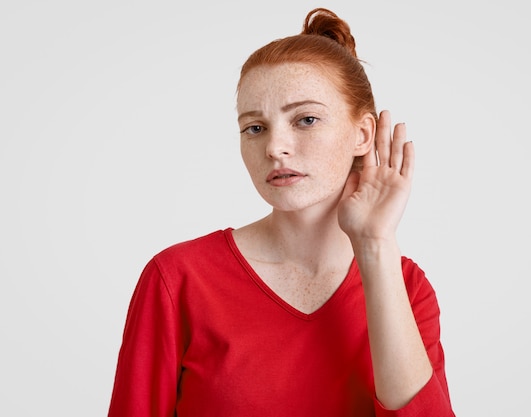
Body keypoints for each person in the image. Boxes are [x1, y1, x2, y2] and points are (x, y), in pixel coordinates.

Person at [107, 7, 455, 417]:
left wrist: (376, 245)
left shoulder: (408, 287)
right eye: (255, 128)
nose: (275, 148)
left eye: (306, 119)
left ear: (363, 134)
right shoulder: (177, 279)